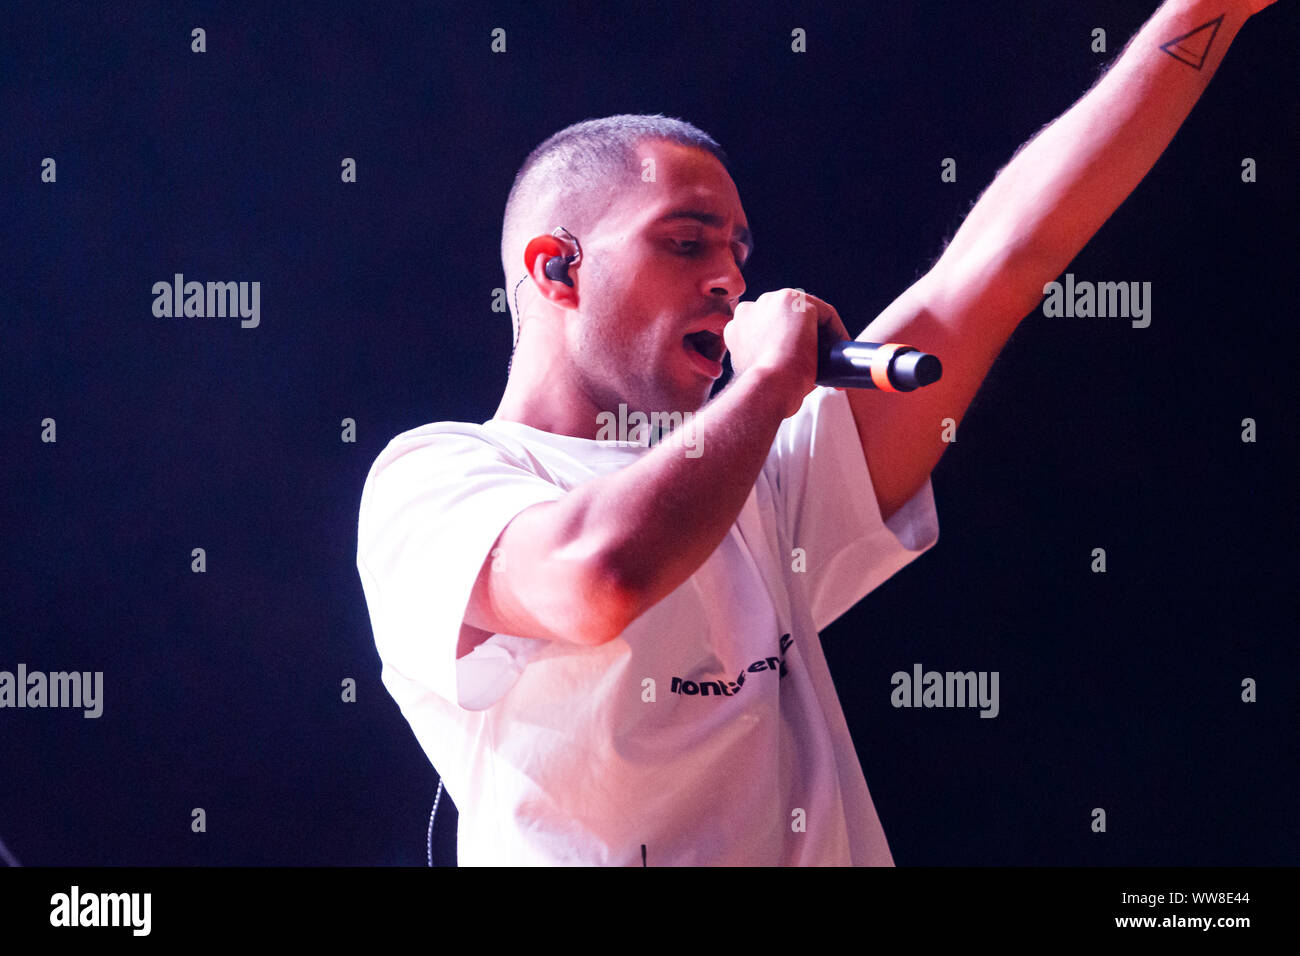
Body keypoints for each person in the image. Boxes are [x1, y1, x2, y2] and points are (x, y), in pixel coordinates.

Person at [356, 0, 1274, 866]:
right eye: (686, 241)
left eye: (738, 252)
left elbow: (1003, 258)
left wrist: (1202, 14)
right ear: (557, 267)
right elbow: (598, 579)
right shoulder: (439, 475)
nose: (729, 279)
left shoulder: (758, 477)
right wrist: (761, 383)